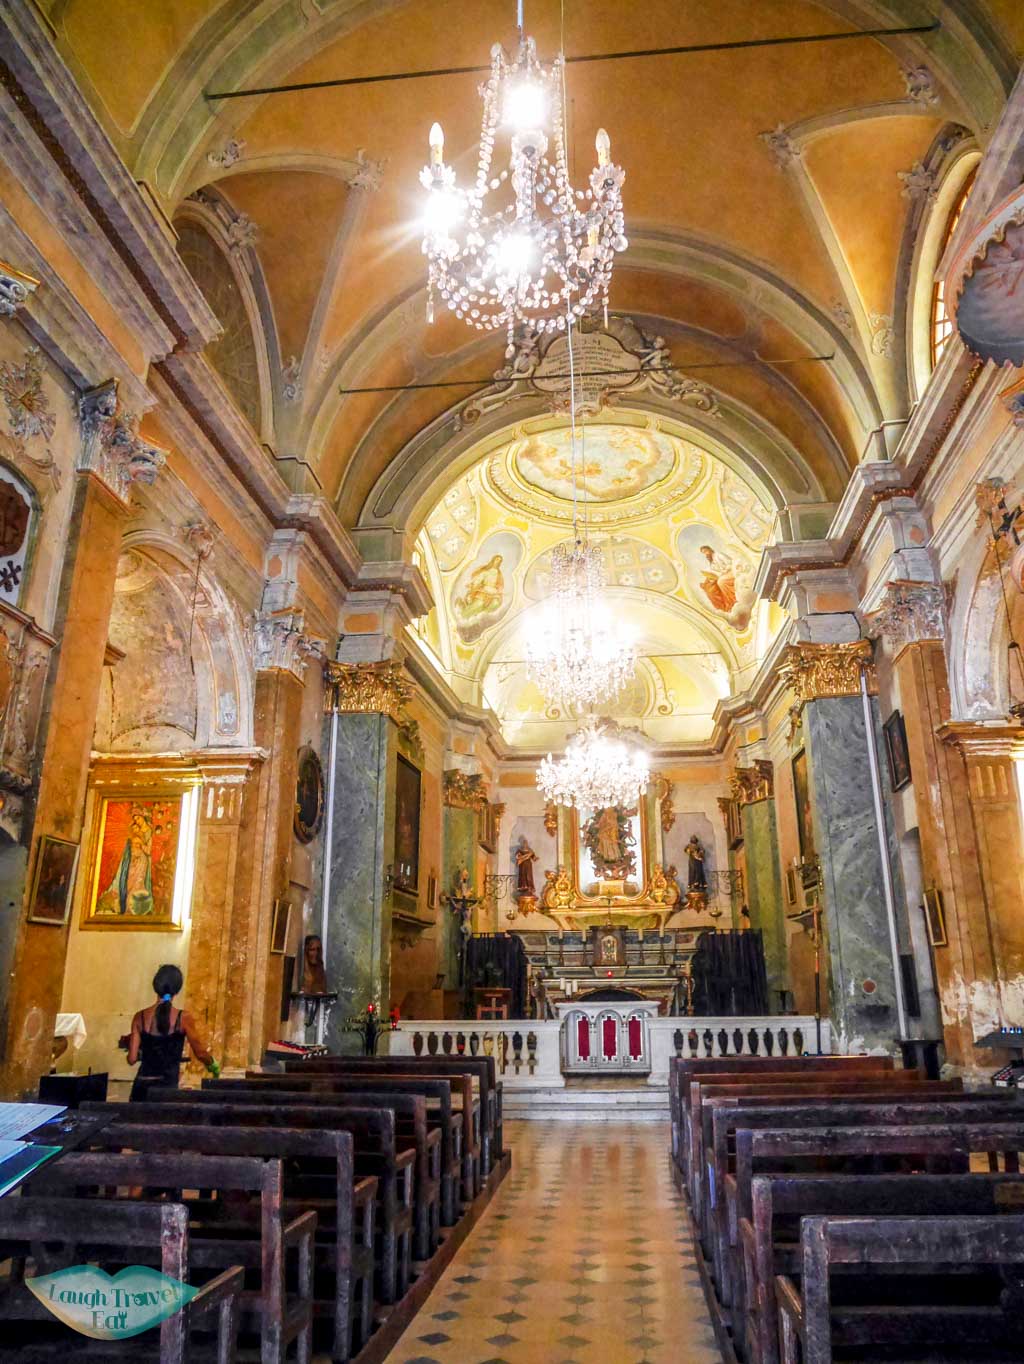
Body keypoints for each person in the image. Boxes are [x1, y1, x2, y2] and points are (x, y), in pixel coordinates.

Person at [127, 964, 218, 1101]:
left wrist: (145, 1051)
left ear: (155, 986)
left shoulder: (139, 1017)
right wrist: (213, 1065)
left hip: (141, 1087)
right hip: (166, 1089)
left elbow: (132, 1059)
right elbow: (200, 1053)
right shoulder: (183, 1018)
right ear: (177, 989)